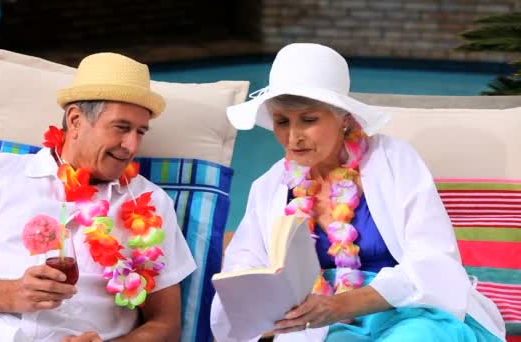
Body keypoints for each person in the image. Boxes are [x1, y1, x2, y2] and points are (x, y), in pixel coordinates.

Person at [210, 43, 505, 341]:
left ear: (344, 119)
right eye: (282, 122)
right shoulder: (269, 186)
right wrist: (268, 310)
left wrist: (339, 304)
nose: (293, 137)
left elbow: (433, 259)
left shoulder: (395, 161)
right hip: (320, 324)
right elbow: (244, 267)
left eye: (309, 120)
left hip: (410, 311)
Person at [0, 52, 196, 341]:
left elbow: (166, 325)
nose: (131, 145)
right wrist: (10, 293)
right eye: (121, 128)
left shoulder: (147, 202)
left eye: (140, 132)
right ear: (75, 120)